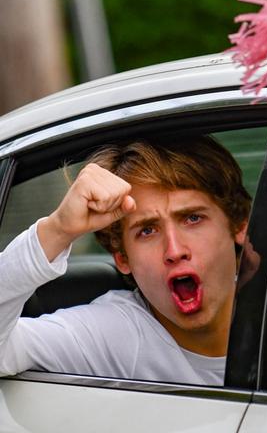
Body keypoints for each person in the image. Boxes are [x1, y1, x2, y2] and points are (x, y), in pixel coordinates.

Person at [0, 136, 251, 385]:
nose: (174, 250)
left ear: (239, 226)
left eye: (193, 218)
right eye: (147, 231)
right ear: (122, 258)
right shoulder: (115, 335)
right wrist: (57, 229)